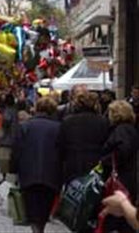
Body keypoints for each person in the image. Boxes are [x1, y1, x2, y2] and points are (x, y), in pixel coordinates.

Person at [12, 97, 61, 233]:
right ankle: (40, 229)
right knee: (44, 210)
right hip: (51, 175)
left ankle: (37, 230)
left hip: (28, 174)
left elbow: (16, 150)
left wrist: (13, 169)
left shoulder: (25, 126)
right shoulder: (58, 127)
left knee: (32, 210)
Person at [102, 100, 139, 233]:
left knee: (116, 215)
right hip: (128, 177)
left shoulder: (121, 130)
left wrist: (106, 160)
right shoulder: (129, 129)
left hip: (121, 179)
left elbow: (123, 150)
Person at [58, 89, 109, 184]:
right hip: (96, 163)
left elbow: (61, 145)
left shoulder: (68, 121)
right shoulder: (102, 121)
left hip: (73, 162)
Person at [0, 92, 18, 185]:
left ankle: (5, 178)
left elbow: (5, 123)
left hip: (6, 138)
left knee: (4, 158)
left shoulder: (7, 111)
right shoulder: (15, 110)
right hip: (14, 137)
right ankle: (12, 178)